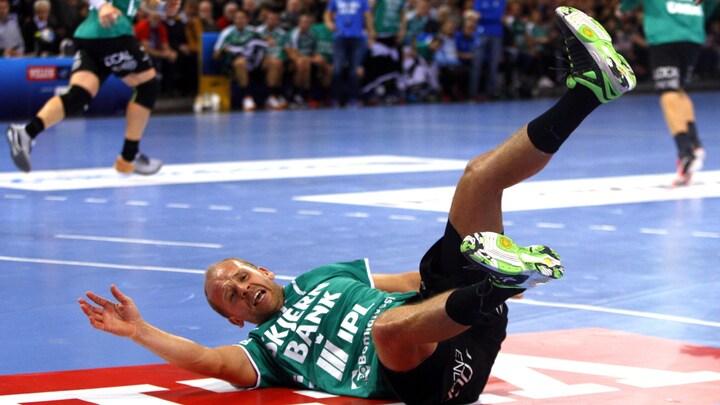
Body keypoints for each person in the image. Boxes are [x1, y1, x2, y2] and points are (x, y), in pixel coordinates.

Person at [79, 7, 636, 404]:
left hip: (452, 312)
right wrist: (141, 331)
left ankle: (591, 89)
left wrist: (462, 256)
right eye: (232, 295)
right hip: (433, 375)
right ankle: (500, 284)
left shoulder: (323, 277)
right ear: (234, 317)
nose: (243, 288)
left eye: (243, 276)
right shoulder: (263, 352)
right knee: (387, 331)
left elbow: (410, 280)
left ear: (264, 270)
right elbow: (208, 362)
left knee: (477, 179)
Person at [5, 0, 181, 175]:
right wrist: (102, 5)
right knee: (147, 86)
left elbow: (139, 3)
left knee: (78, 95)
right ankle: (128, 156)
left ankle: (26, 133)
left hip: (91, 37)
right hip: (112, 32)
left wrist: (162, 7)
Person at [618, 0, 717, 186]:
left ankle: (685, 151)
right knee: (679, 89)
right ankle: (695, 144)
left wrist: (622, 9)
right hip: (692, 35)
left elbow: (628, 4)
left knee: (668, 91)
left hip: (666, 35)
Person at [324, 0, 376, 107]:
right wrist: (329, 23)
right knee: (337, 69)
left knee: (355, 70)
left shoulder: (362, 1)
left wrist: (371, 32)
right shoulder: (335, 1)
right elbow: (327, 13)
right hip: (340, 37)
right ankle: (336, 98)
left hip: (357, 37)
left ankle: (354, 98)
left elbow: (367, 15)